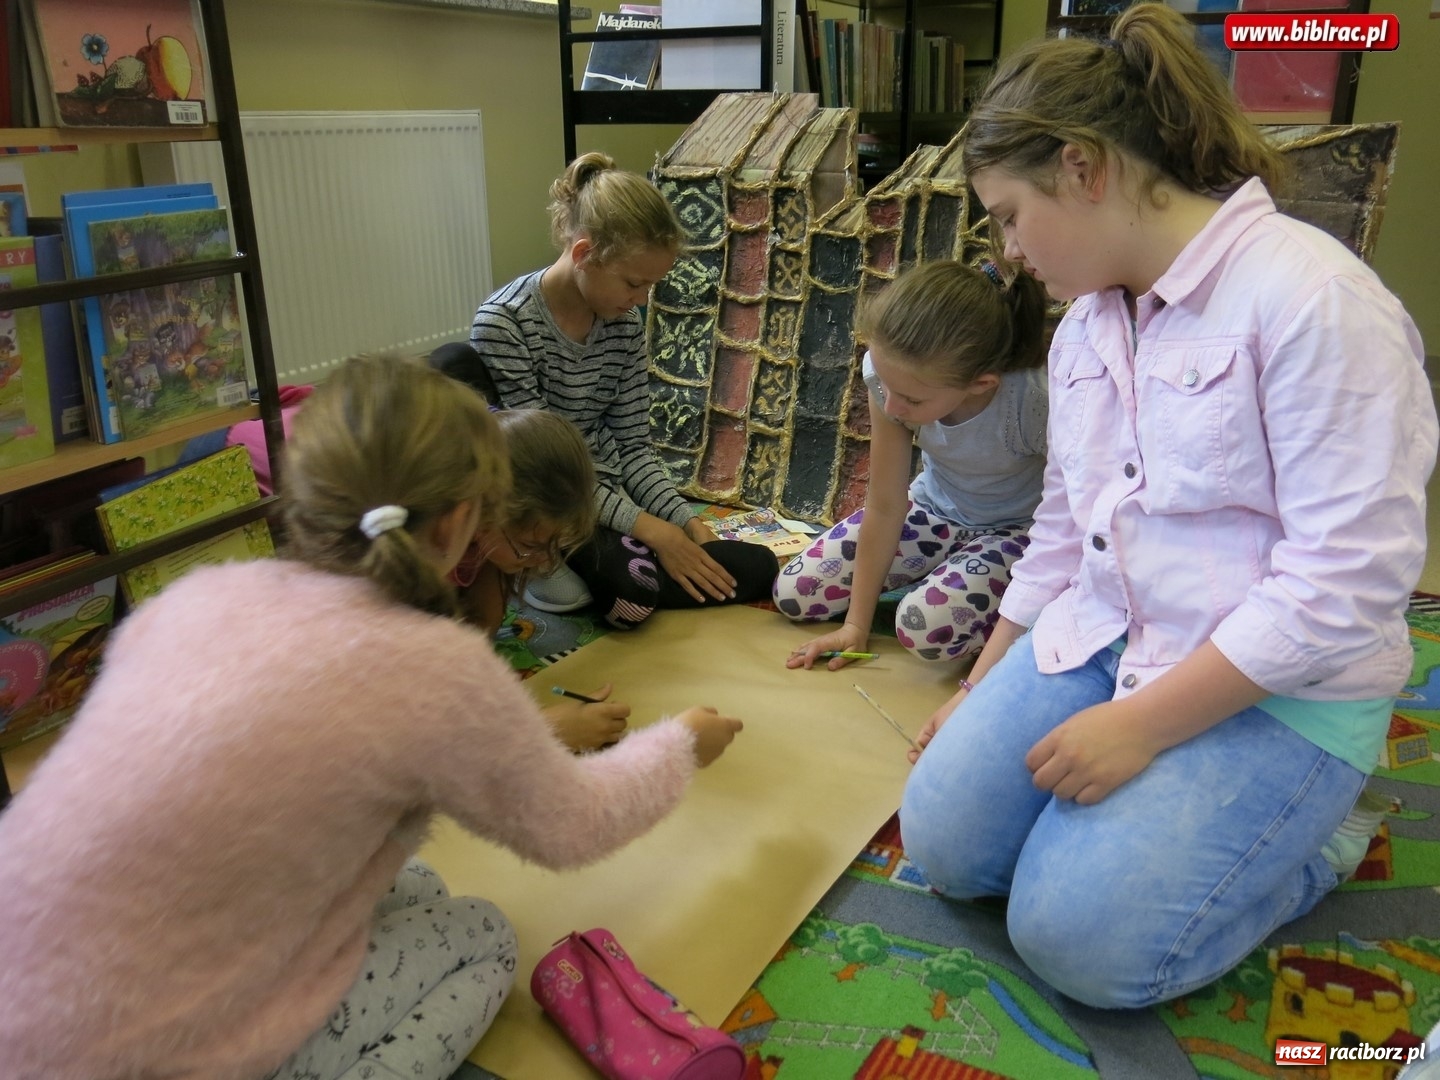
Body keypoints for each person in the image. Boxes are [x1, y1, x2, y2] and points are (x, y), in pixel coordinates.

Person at [899, 2, 1437, 1011]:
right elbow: (1062, 536)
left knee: (1080, 946)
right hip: (1111, 633)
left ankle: (1320, 841)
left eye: (1010, 215)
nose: (1008, 252)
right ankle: (1145, 829)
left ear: (1082, 167)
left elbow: (1343, 588)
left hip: (1279, 687)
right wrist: (979, 684)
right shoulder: (1087, 328)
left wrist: (1140, 728)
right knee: (944, 843)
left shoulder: (1315, 300)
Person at [0, 354, 743, 1080]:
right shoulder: (433, 665)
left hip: (23, 988)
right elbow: (574, 826)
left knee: (410, 884)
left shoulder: (200, 593)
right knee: (483, 933)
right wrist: (681, 744)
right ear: (460, 524)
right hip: (136, 1049)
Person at [469, 150, 778, 629]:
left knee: (757, 567)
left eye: (651, 286)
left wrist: (685, 524)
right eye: (634, 283)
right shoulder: (504, 324)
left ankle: (604, 565)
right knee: (633, 596)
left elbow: (633, 447)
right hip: (546, 497)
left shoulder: (624, 323)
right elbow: (540, 470)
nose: (642, 300)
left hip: (605, 496)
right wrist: (651, 531)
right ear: (583, 255)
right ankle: (546, 557)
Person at [779, 260, 1048, 668]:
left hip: (1016, 532)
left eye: (912, 400)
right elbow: (886, 501)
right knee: (797, 591)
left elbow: (1075, 513)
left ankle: (977, 592)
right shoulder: (892, 376)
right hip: (933, 510)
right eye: (884, 386)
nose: (891, 406)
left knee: (923, 629)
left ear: (981, 384)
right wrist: (856, 624)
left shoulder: (1033, 400)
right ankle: (950, 574)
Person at [451, 406, 631, 752]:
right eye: (531, 545)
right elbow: (412, 732)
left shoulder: (480, 539)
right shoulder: (419, 565)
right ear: (481, 510)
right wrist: (545, 732)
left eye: (556, 547)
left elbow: (480, 634)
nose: (547, 562)